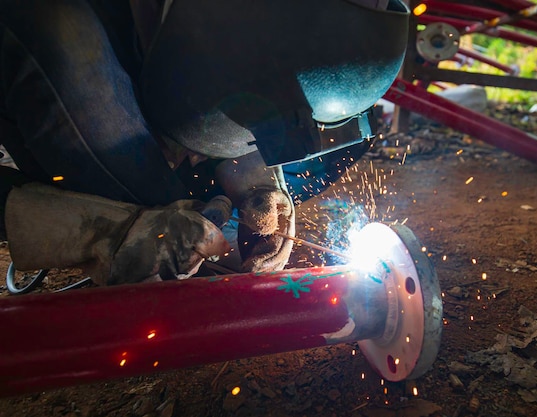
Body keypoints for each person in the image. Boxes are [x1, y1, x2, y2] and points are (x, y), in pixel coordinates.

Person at [0, 0, 409, 286]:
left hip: (150, 45)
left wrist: (258, 178)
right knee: (59, 34)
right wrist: (101, 232)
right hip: (42, 33)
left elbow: (249, 64)